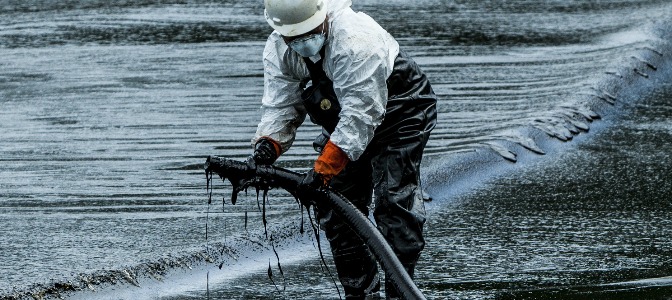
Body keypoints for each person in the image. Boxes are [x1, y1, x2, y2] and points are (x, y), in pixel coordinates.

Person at [250, 0, 437, 298]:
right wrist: (267, 146)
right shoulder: (279, 51)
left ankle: (401, 291)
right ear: (280, 33)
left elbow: (361, 115)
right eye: (293, 38)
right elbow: (281, 105)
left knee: (393, 202)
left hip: (401, 110)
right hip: (343, 117)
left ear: (322, 18)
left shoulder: (354, 38)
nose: (302, 42)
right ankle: (360, 290)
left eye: (308, 33)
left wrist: (323, 168)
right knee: (336, 208)